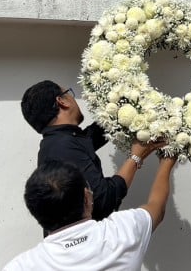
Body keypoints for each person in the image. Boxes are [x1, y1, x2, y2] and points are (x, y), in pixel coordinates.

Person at [3, 157, 176, 270]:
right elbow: (157, 207)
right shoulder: (123, 230)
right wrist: (167, 160)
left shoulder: (21, 266)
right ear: (87, 197)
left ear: (34, 212)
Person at [21, 80, 159, 221]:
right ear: (62, 101)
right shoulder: (63, 146)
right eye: (69, 93)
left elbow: (90, 139)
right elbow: (102, 200)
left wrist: (120, 107)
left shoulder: (59, 140)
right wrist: (136, 157)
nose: (73, 98)